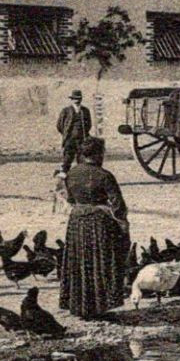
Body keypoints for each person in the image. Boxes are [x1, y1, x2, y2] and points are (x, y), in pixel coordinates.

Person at [59, 136, 128, 321]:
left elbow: (70, 199)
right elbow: (118, 205)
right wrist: (122, 224)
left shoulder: (72, 173)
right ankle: (99, 307)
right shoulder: (104, 175)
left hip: (76, 222)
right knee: (100, 262)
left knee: (79, 262)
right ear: (98, 154)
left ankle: (78, 307)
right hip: (98, 223)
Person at [55, 89, 92, 176]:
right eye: (75, 98)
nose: (77, 100)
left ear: (81, 99)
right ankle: (63, 177)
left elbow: (89, 124)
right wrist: (66, 134)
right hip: (70, 139)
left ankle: (81, 178)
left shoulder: (85, 111)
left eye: (79, 98)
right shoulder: (66, 111)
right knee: (67, 159)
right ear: (72, 99)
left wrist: (84, 134)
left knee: (82, 159)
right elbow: (59, 125)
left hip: (82, 139)